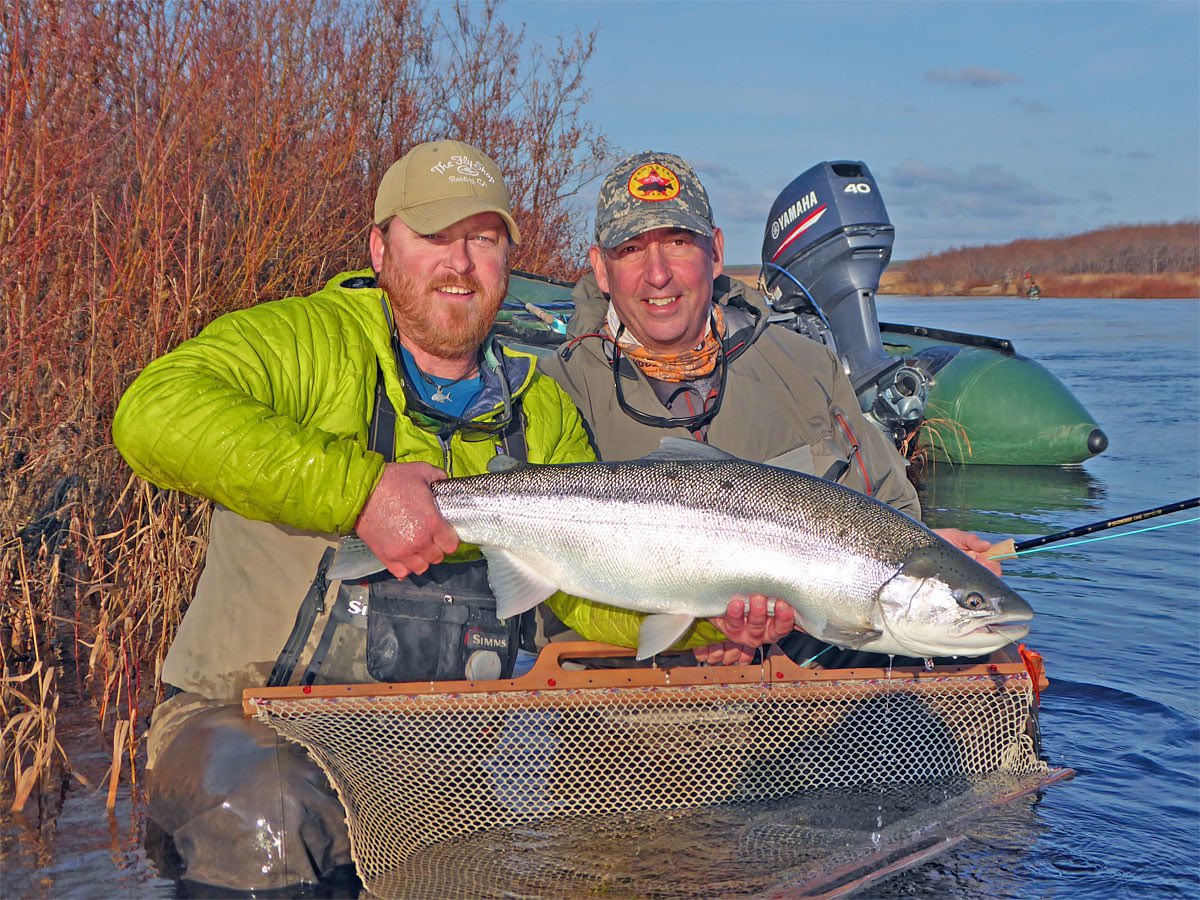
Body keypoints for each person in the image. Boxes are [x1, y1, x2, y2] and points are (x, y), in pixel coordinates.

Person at [113, 140, 774, 891]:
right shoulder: (310, 341)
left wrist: (712, 619)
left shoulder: (539, 410)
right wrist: (360, 493)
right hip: (242, 720)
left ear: (506, 261)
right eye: (432, 237)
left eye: (483, 240)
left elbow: (579, 598)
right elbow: (152, 414)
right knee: (272, 818)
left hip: (432, 758)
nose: (458, 263)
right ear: (380, 247)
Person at [541, 150, 1003, 668]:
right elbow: (534, 590)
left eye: (678, 243)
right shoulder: (552, 390)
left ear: (715, 252)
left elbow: (889, 514)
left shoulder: (808, 369)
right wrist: (695, 626)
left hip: (799, 710)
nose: (658, 275)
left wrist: (929, 562)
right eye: (630, 249)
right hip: (617, 722)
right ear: (601, 269)